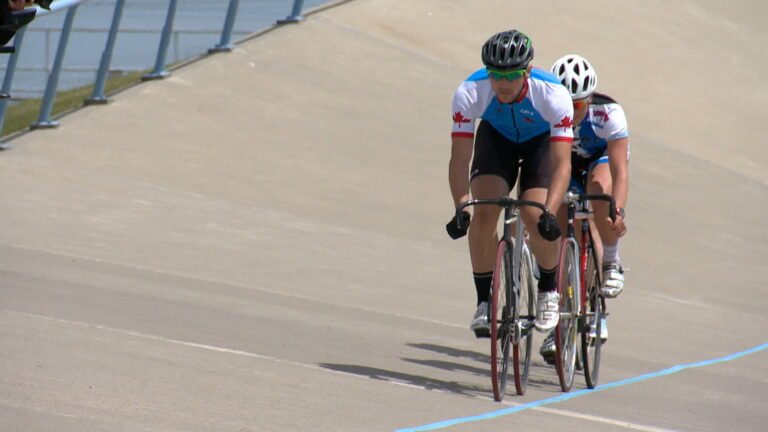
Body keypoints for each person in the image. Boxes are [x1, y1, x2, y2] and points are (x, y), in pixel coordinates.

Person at [445, 29, 574, 337]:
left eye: (512, 75)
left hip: (540, 143)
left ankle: (547, 290)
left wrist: (550, 213)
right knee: (484, 211)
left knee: (534, 214)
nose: (502, 83)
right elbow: (459, 159)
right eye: (495, 75)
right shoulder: (470, 92)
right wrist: (461, 206)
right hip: (497, 139)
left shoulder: (553, 95)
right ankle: (484, 302)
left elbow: (561, 164)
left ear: (527, 70)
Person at [539, 54, 630, 363]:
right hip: (565, 165)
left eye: (578, 105)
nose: (571, 111)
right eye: (566, 103)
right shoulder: (545, 110)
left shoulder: (609, 113)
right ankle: (561, 323)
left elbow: (620, 172)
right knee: (562, 233)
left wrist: (617, 212)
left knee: (599, 191)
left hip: (597, 160)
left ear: (589, 100)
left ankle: (611, 263)